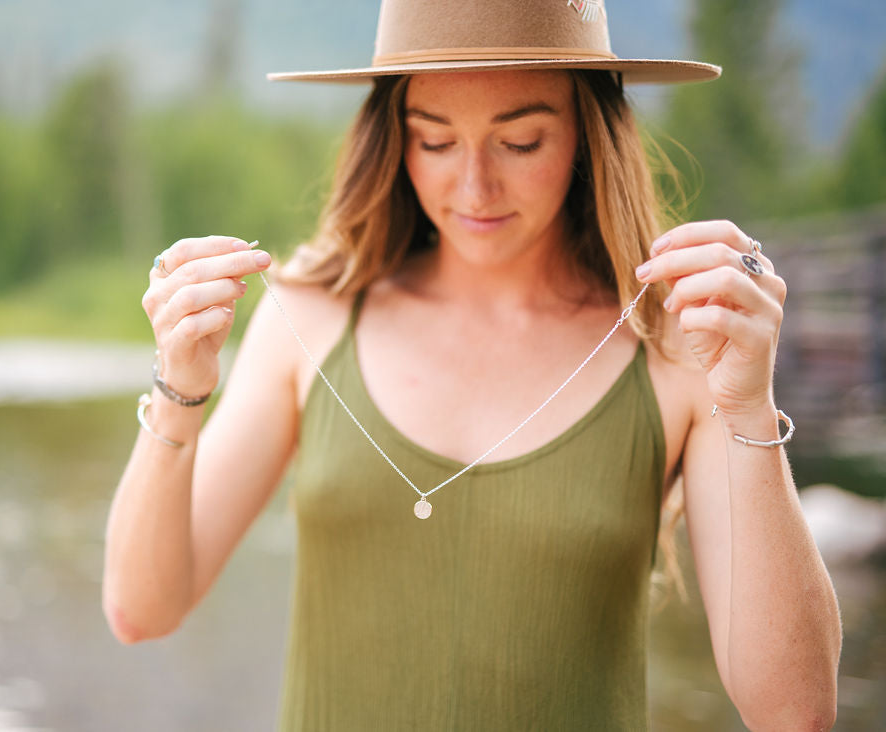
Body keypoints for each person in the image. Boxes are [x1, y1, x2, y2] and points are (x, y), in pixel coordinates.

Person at [103, 1, 841, 728]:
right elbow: (141, 609)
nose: (473, 188)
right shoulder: (309, 316)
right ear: (393, 140)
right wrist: (180, 387)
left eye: (520, 142)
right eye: (434, 141)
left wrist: (748, 406)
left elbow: (794, 712)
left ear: (590, 135)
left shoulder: (676, 349)